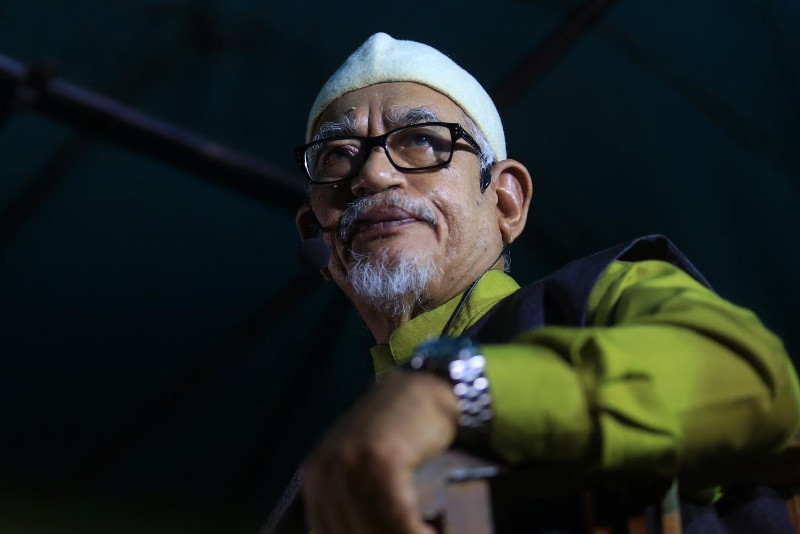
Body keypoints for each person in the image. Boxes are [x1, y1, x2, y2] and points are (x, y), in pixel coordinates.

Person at [267, 32, 800, 533]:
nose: (375, 175)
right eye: (337, 156)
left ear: (506, 200)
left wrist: (455, 394)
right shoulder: (318, 491)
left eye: (423, 142)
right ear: (314, 229)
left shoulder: (601, 298)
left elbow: (754, 383)